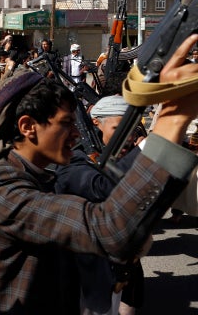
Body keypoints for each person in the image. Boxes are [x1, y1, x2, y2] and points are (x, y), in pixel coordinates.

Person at [0, 32, 198, 314]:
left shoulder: (41, 173)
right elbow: (108, 228)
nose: (76, 133)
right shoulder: (1, 186)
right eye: (66, 123)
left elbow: (114, 195)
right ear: (28, 126)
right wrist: (173, 117)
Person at [54, 95, 145, 315]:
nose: (128, 138)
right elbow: (102, 186)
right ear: (97, 122)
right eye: (119, 129)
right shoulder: (74, 158)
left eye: (132, 131)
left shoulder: (120, 152)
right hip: (87, 269)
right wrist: (147, 150)